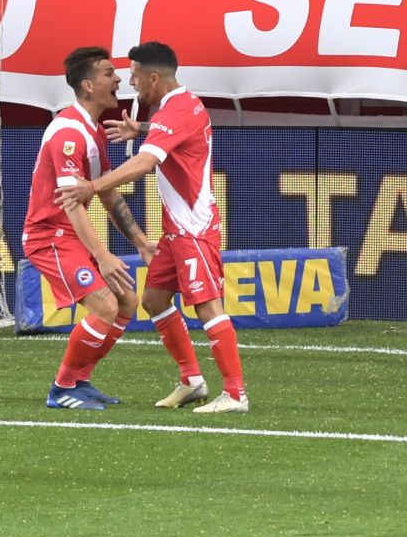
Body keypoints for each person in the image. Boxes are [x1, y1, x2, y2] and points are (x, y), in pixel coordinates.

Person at [58, 42, 250, 413]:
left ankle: (235, 394)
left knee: (208, 306)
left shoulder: (176, 110)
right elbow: (174, 133)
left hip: (193, 228)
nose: (130, 83)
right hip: (175, 232)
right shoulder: (182, 106)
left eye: (134, 76)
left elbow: (145, 163)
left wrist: (92, 186)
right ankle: (191, 381)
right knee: (154, 300)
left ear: (154, 78)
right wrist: (143, 128)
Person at [24, 47, 156, 410]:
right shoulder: (68, 133)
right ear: (87, 85)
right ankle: (61, 388)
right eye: (109, 74)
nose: (118, 79)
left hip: (70, 235)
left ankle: (79, 381)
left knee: (127, 302)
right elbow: (71, 202)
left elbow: (108, 195)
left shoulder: (93, 132)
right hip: (48, 237)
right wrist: (102, 253)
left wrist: (141, 242)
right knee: (105, 306)